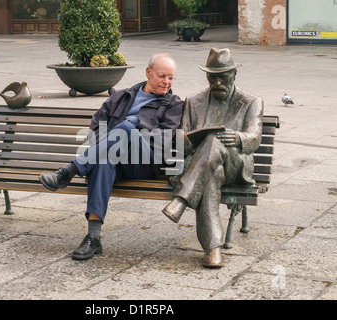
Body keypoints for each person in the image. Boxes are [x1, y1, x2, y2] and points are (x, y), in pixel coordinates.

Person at [39, 53, 184, 260]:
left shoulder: (173, 104)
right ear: (148, 72)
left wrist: (134, 126)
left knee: (125, 127)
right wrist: (112, 142)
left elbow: (165, 138)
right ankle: (93, 237)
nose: (166, 82)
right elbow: (97, 126)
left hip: (145, 160)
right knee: (103, 162)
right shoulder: (121, 96)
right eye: (162, 76)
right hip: (115, 158)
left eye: (171, 77)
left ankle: (70, 170)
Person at [162, 48, 264, 268]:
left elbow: (254, 137)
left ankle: (181, 200)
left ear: (234, 75)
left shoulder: (251, 101)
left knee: (215, 140)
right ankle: (212, 250)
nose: (217, 82)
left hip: (236, 165)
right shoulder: (194, 101)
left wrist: (236, 137)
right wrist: (187, 139)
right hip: (206, 168)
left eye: (222, 77)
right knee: (210, 174)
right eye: (212, 77)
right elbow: (182, 139)